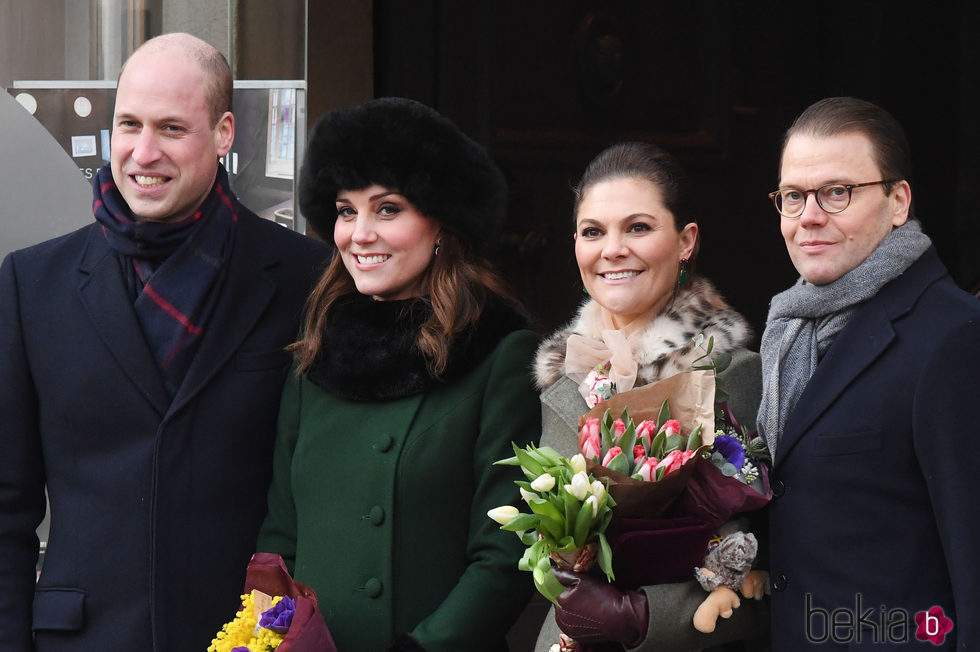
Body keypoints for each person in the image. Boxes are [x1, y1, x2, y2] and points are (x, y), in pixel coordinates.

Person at [0, 33, 328, 651]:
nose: (142, 153)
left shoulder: (305, 278)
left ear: (224, 133)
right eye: (129, 125)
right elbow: (4, 506)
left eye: (172, 129)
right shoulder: (31, 283)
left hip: (243, 638)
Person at [255, 97, 541, 651]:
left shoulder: (498, 354)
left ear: (441, 222)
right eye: (344, 210)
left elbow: (505, 554)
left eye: (387, 209)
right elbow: (280, 540)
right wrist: (267, 638)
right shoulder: (315, 354)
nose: (359, 234)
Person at [759, 96, 980, 648]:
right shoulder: (784, 334)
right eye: (792, 196)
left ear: (898, 200)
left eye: (837, 192)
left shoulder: (955, 337)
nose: (809, 215)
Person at [533, 141, 769, 651]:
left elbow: (774, 568)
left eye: (637, 227)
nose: (612, 249)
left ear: (686, 241)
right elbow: (550, 564)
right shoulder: (564, 381)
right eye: (593, 232)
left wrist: (642, 618)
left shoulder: (735, 376)